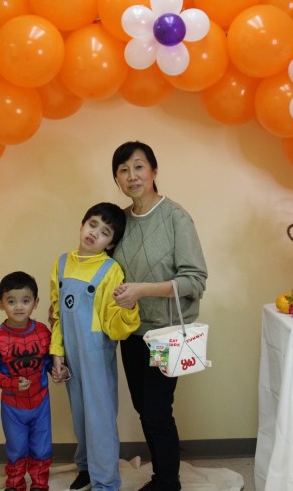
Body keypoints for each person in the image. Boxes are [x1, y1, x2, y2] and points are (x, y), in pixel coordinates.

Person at [110, 141, 208, 491]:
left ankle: (168, 482)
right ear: (117, 179)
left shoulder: (175, 217)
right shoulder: (120, 221)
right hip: (131, 332)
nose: (132, 176)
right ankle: (162, 476)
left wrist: (142, 289)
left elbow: (195, 280)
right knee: (143, 408)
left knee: (156, 410)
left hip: (166, 334)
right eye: (123, 170)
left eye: (138, 167)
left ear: (154, 171)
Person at [50, 202, 140, 491]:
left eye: (104, 232)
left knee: (99, 419)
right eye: (92, 224)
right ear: (82, 224)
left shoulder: (110, 270)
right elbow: (56, 314)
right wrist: (57, 353)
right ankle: (87, 468)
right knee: (80, 417)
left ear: (110, 243)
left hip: (96, 356)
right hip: (71, 356)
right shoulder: (61, 263)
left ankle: (106, 482)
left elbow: (114, 326)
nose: (94, 233)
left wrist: (128, 308)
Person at [0, 271, 53, 491]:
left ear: (36, 302)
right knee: (16, 448)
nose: (19, 307)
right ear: (1, 304)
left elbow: (50, 360)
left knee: (42, 447)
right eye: (11, 301)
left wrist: (59, 370)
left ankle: (40, 484)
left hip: (41, 402)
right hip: (13, 405)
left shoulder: (43, 332)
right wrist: (11, 384)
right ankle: (14, 484)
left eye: (25, 300)